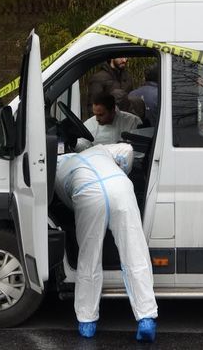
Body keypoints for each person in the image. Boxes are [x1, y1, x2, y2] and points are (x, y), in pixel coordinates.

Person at [54, 144, 158, 342]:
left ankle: (87, 321)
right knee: (135, 252)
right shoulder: (101, 149)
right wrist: (120, 168)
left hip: (87, 193)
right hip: (119, 186)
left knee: (89, 257)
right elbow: (127, 149)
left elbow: (68, 201)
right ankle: (146, 317)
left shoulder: (58, 169)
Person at [75, 93, 142, 152]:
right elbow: (82, 145)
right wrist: (74, 142)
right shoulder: (90, 124)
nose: (97, 119)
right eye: (95, 114)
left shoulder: (133, 122)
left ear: (112, 111)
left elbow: (137, 151)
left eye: (101, 115)